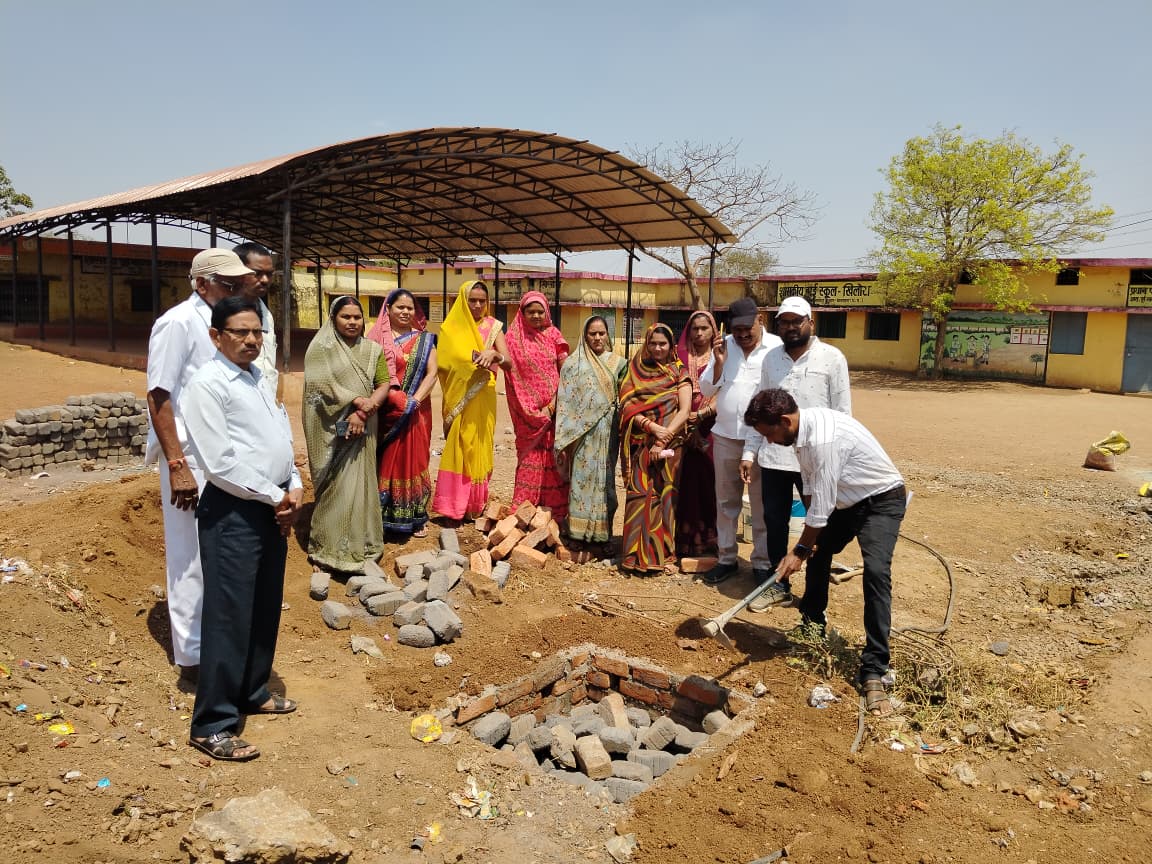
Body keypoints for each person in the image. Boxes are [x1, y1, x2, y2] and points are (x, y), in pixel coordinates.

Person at [182, 296, 304, 761]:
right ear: (217, 336)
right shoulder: (207, 385)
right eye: (241, 332)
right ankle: (212, 723)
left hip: (272, 506)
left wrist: (293, 485)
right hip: (234, 512)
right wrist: (277, 496)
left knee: (264, 605)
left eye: (257, 332)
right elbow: (220, 464)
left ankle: (253, 689)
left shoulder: (257, 378)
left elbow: (279, 440)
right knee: (229, 615)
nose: (252, 340)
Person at [744, 388, 906, 716]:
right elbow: (810, 489)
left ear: (785, 420)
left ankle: (874, 668)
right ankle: (812, 624)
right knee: (818, 552)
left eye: (769, 433)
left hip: (881, 500)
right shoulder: (800, 435)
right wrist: (810, 544)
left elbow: (822, 504)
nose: (769, 441)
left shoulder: (823, 439)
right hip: (846, 503)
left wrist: (799, 550)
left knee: (876, 572)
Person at [145, 248, 253, 683]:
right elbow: (159, 395)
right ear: (202, 283)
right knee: (189, 555)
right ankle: (191, 658)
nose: (238, 290)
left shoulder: (225, 326)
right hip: (189, 457)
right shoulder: (177, 323)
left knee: (221, 553)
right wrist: (176, 463)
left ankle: (220, 645)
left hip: (224, 455)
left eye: (240, 283)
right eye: (229, 284)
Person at [742, 296, 851, 610]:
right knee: (774, 523)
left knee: (819, 525)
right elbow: (760, 410)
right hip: (775, 457)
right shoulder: (771, 360)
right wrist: (749, 452)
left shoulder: (832, 358)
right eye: (784, 322)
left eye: (796, 321)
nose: (790, 327)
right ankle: (778, 586)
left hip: (816, 459)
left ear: (810, 323)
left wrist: (839, 463)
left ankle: (814, 598)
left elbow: (843, 414)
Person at [302, 296, 393, 574]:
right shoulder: (320, 349)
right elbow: (318, 385)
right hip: (331, 427)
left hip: (365, 423)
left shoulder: (373, 350)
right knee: (335, 485)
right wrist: (356, 400)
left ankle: (362, 544)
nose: (352, 322)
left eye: (357, 317)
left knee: (361, 483)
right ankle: (327, 548)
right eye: (346, 317)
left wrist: (365, 410)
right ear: (333, 319)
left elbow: (384, 383)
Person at [697, 298, 782, 585]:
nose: (743, 334)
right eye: (737, 329)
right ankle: (726, 559)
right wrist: (719, 363)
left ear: (760, 320)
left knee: (760, 504)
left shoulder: (776, 348)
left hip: (763, 439)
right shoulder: (724, 347)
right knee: (725, 503)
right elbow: (705, 388)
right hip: (725, 436)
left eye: (748, 328)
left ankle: (761, 563)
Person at [431, 280, 512, 523]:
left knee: (479, 446)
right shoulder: (450, 328)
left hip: (483, 396)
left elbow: (509, 363)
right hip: (458, 397)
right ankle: (452, 506)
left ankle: (474, 505)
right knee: (458, 446)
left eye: (482, 301)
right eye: (472, 300)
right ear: (463, 301)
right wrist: (464, 367)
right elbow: (443, 366)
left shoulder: (493, 327)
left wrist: (495, 355)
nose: (477, 305)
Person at [618, 323, 692, 576]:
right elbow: (627, 405)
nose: (658, 348)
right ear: (647, 344)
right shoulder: (635, 369)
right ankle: (633, 555)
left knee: (666, 497)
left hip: (670, 446)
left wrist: (664, 436)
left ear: (671, 346)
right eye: (653, 343)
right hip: (641, 445)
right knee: (639, 496)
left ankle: (662, 554)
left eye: (663, 344)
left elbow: (685, 410)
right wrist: (651, 427)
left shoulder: (679, 371)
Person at [554, 315, 627, 560]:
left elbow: (625, 396)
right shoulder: (573, 365)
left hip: (607, 433)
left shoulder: (618, 364)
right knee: (581, 482)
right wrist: (567, 435)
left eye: (601, 333)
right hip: (581, 434)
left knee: (606, 482)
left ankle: (604, 537)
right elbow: (566, 401)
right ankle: (577, 535)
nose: (597, 338)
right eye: (592, 334)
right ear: (585, 336)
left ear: (608, 335)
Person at [367, 289, 439, 537]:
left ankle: (416, 516)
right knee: (384, 459)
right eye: (400, 307)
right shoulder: (376, 338)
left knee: (415, 459)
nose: (406, 312)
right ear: (388, 309)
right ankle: (380, 516)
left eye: (410, 308)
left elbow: (432, 373)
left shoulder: (424, 340)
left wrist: (414, 401)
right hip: (386, 411)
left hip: (416, 411)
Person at [505, 291, 571, 519]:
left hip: (554, 412)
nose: (535, 316)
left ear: (547, 313)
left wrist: (552, 406)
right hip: (527, 415)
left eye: (540, 311)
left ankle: (556, 515)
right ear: (521, 313)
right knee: (529, 460)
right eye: (530, 311)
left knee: (555, 460)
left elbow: (566, 374)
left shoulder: (554, 335)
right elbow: (507, 370)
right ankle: (523, 514)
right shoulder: (512, 339)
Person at [673, 310, 720, 559]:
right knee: (685, 483)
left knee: (710, 482)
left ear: (713, 330)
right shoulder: (679, 356)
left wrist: (702, 414)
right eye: (695, 328)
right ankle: (685, 541)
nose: (700, 333)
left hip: (712, 428)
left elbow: (727, 389)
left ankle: (710, 539)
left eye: (704, 328)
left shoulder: (722, 357)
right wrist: (684, 419)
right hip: (681, 429)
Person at [232, 242, 279, 401]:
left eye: (269, 274)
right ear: (237, 272)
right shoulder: (219, 315)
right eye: (257, 273)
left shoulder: (266, 315)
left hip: (265, 400)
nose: (265, 280)